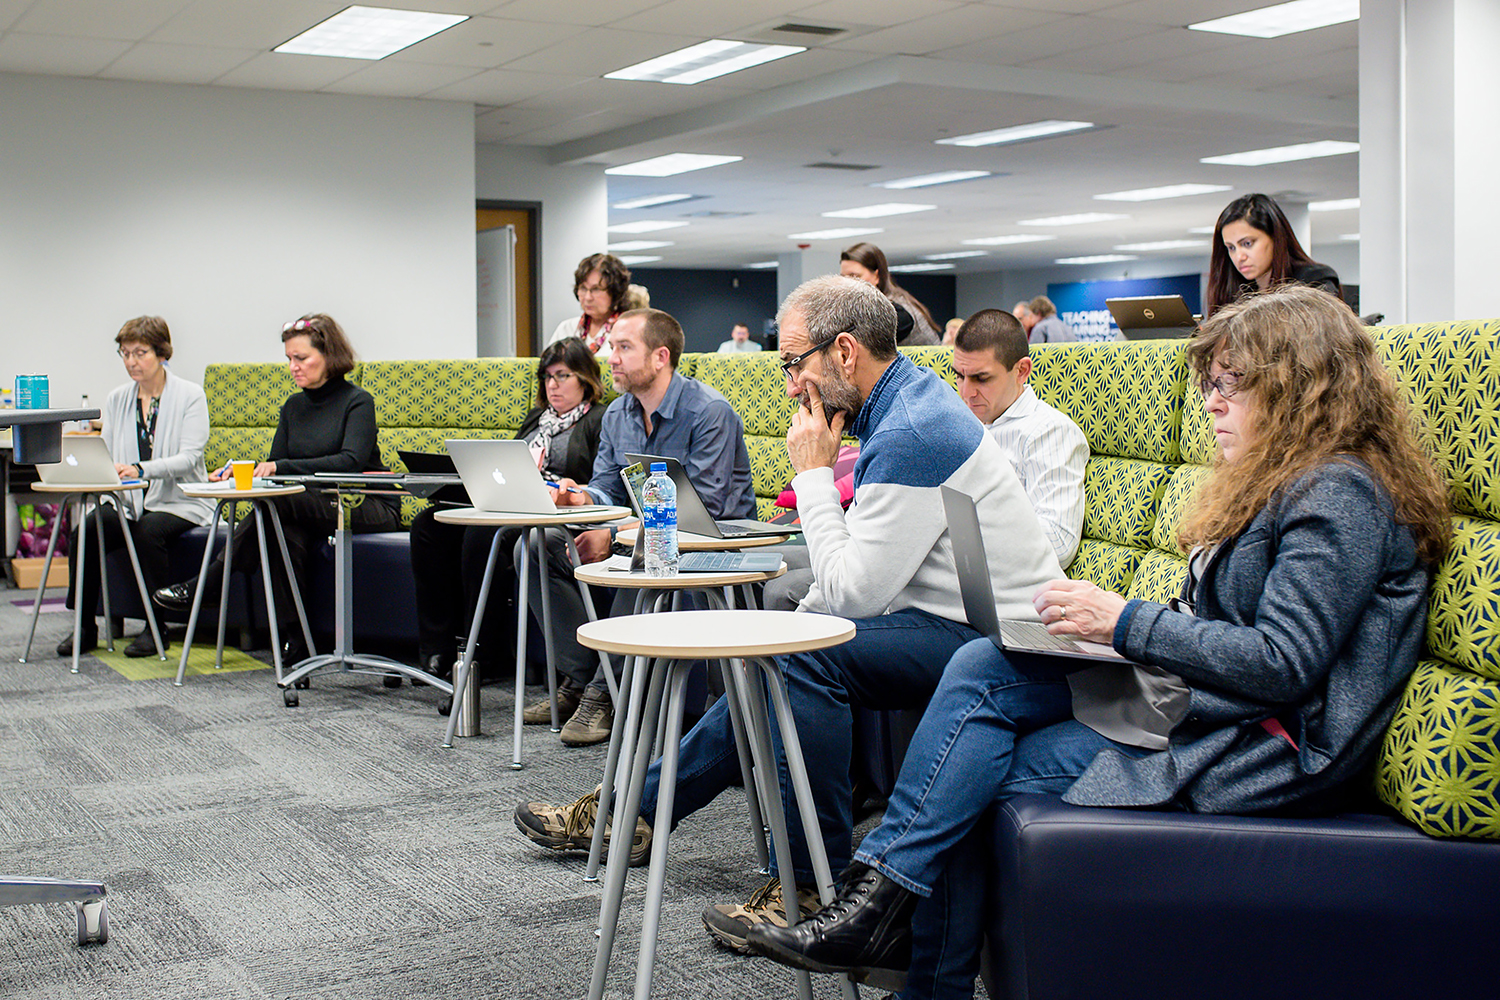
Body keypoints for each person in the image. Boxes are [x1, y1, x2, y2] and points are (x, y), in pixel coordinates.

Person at [747, 284, 1449, 1000]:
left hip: (1259, 744)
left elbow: (1282, 664)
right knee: (984, 662)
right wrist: (1114, 627)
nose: (1210, 402)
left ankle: (894, 930)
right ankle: (883, 913)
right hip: (1209, 706)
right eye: (1211, 384)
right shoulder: (1294, 480)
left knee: (972, 765)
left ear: (1304, 389)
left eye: (1232, 386)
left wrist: (1125, 623)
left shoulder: (1338, 495)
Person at [514, 275, 1062, 951]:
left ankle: (809, 882)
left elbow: (854, 593)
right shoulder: (903, 408)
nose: (787, 383)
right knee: (770, 652)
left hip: (997, 641)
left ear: (844, 354)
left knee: (802, 655)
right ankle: (635, 811)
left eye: (791, 363)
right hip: (941, 616)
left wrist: (810, 475)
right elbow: (862, 574)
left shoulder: (913, 428)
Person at [526, 307, 755, 745]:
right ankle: (588, 678)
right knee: (540, 546)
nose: (611, 357)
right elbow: (608, 488)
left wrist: (612, 536)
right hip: (639, 535)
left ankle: (600, 694)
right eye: (612, 346)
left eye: (624, 347)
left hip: (714, 544)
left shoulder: (709, 412)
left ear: (660, 357)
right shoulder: (618, 415)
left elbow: (702, 508)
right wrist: (581, 499)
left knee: (645, 557)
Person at [154, 314, 400, 662]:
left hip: (364, 503)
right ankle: (296, 641)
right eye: (289, 359)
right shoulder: (293, 406)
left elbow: (350, 462)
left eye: (301, 358)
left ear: (328, 355)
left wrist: (278, 468)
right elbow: (275, 470)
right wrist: (244, 472)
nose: (292, 367)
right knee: (281, 526)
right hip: (306, 507)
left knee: (277, 505)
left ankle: (210, 585)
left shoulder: (357, 401)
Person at [406, 338, 607, 706]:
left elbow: (596, 482)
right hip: (512, 504)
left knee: (481, 538)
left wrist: (562, 489)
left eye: (563, 375)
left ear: (585, 379)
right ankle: (435, 648)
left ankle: (478, 652)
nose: (553, 385)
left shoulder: (598, 419)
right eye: (547, 377)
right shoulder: (538, 418)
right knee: (428, 527)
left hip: (556, 514)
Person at [57, 316, 214, 658]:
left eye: (139, 352)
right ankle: (84, 627)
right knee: (87, 530)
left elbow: (189, 458)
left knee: (148, 532)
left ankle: (155, 626)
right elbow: (108, 450)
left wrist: (141, 468)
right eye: (125, 353)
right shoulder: (117, 399)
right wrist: (107, 469)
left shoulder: (190, 396)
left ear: (161, 353)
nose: (131, 361)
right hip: (129, 501)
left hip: (181, 501)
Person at [952, 309, 1087, 567]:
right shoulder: (961, 422)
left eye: (981, 378)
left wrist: (963, 533)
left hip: (1007, 590)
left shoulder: (1049, 431)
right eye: (960, 376)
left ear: (1022, 371)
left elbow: (1058, 545)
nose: (967, 393)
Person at [1207, 192, 1341, 318]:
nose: (1239, 257)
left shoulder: (1315, 280)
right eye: (1231, 248)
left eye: (1247, 243)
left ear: (1275, 238)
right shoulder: (1235, 292)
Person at [840, 242, 940, 346]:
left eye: (855, 276)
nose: (847, 283)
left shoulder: (897, 310)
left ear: (876, 276)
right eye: (843, 277)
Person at [545, 253, 632, 356]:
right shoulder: (567, 328)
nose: (588, 297)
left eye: (596, 289)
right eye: (583, 288)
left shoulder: (628, 330)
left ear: (615, 292)